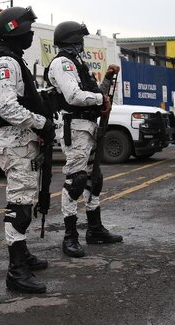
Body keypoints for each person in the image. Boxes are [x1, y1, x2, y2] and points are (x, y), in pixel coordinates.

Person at [0, 6, 53, 293]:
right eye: (29, 29)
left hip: (23, 141)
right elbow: (8, 107)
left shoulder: (14, 61)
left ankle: (22, 255)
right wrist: (41, 123)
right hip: (15, 142)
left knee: (26, 201)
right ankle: (16, 271)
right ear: (17, 30)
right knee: (20, 207)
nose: (32, 35)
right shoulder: (4, 64)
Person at [46, 21, 122, 258]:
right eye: (80, 39)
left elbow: (95, 92)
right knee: (76, 180)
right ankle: (70, 237)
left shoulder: (77, 64)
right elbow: (74, 96)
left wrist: (107, 80)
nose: (82, 44)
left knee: (93, 178)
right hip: (75, 128)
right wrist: (101, 100)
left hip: (88, 127)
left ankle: (95, 229)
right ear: (72, 40)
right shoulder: (62, 62)